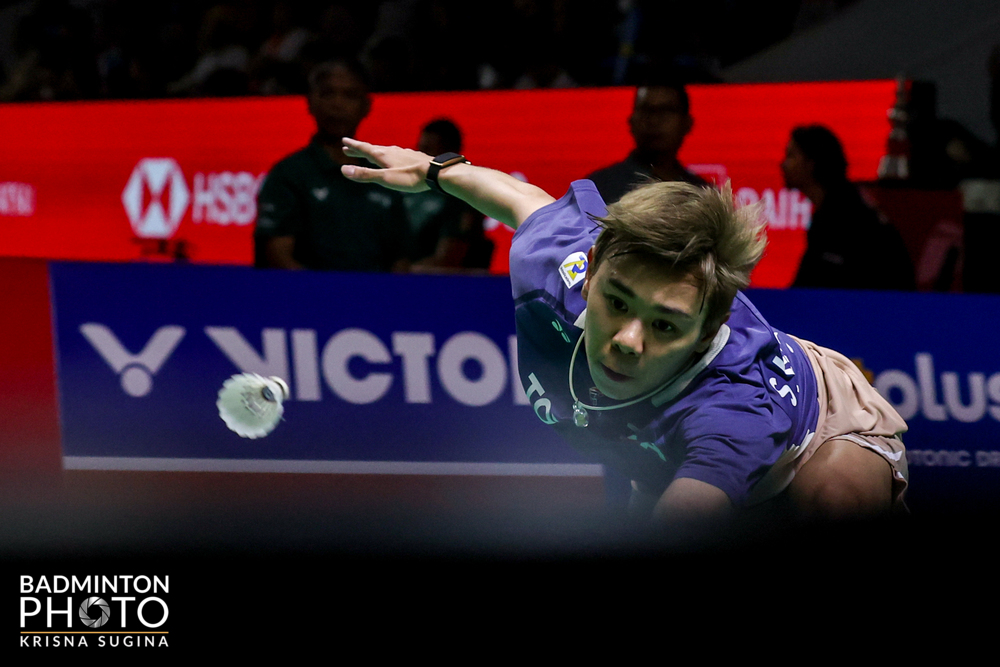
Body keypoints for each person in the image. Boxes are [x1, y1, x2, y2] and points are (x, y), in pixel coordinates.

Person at [339, 137, 909, 536]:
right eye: (617, 303)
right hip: (657, 447)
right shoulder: (561, 268)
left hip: (820, 424)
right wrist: (433, 171)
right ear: (590, 271)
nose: (628, 340)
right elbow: (523, 202)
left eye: (664, 324)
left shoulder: (732, 410)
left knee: (831, 504)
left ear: (706, 329)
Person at [254, 60, 410, 272]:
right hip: (309, 292)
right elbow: (278, 256)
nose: (338, 104)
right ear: (310, 102)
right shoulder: (288, 174)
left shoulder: (385, 177)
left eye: (349, 95)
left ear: (366, 106)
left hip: (376, 292)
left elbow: (401, 261)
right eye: (328, 94)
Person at [783, 125, 915, 290]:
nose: (783, 164)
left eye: (791, 156)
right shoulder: (828, 214)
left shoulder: (847, 218)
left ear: (811, 163)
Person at [586, 78, 708, 204]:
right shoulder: (597, 189)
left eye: (666, 110)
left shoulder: (703, 195)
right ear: (631, 121)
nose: (654, 121)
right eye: (646, 110)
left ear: (687, 123)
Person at [404, 119, 493, 270]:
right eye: (420, 149)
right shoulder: (401, 192)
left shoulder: (463, 200)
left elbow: (447, 260)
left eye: (428, 151)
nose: (420, 158)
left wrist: (397, 272)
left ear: (451, 155)